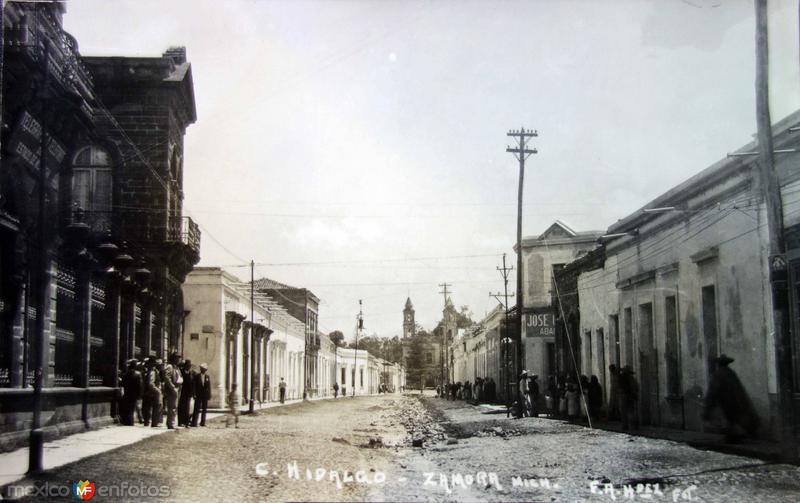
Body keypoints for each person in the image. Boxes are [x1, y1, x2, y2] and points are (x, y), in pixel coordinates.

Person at [703, 354, 759, 443]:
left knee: (730, 420)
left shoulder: (718, 375)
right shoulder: (731, 373)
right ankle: (733, 436)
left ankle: (733, 436)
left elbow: (712, 392)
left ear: (719, 364)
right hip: (735, 402)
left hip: (727, 402)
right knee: (733, 420)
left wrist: (707, 409)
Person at [120, 359, 142, 426]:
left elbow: (122, 384)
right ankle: (131, 422)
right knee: (132, 408)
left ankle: (128, 421)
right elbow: (140, 385)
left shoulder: (125, 374)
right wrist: (140, 394)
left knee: (128, 408)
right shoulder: (138, 374)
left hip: (127, 393)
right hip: (135, 394)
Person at [142, 358, 163, 427]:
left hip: (148, 392)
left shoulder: (149, 371)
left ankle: (148, 422)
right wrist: (158, 391)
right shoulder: (153, 372)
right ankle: (154, 423)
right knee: (156, 407)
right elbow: (151, 384)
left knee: (148, 407)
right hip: (152, 392)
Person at [618, 366, 638, 430]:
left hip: (625, 396)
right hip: (631, 396)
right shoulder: (632, 379)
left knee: (624, 411)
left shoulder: (622, 379)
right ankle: (633, 425)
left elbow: (620, 388)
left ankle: (626, 425)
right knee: (631, 411)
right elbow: (636, 387)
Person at [162, 362, 182, 429]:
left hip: (177, 388)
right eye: (176, 358)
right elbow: (167, 377)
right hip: (172, 389)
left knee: (175, 406)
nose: (178, 360)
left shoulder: (177, 368)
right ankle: (170, 423)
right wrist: (172, 386)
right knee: (172, 407)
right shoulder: (170, 366)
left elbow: (179, 376)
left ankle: (171, 422)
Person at [191, 363, 211, 427]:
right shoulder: (197, 376)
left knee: (204, 409)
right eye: (202, 369)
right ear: (200, 369)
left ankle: (203, 422)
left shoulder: (207, 377)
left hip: (205, 395)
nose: (203, 370)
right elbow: (194, 386)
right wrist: (194, 393)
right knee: (196, 408)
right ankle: (194, 422)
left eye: (204, 369)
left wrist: (209, 395)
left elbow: (209, 387)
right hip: (198, 394)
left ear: (206, 370)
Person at [178, 360, 195, 427]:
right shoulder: (181, 372)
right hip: (182, 392)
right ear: (185, 366)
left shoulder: (191, 373)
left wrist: (193, 393)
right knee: (181, 407)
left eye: (189, 365)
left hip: (188, 393)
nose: (188, 367)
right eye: (187, 365)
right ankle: (180, 422)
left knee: (187, 408)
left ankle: (186, 422)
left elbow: (193, 383)